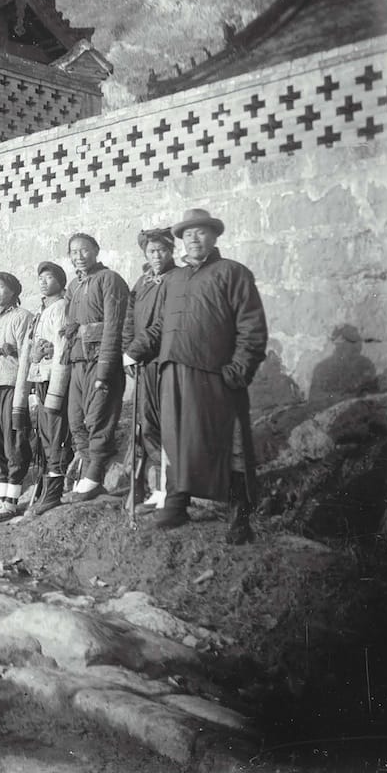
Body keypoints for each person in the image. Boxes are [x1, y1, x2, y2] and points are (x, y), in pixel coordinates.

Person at [135, 209, 267, 542]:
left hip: (215, 375)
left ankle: (240, 513)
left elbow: (251, 327)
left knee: (229, 441)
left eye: (201, 233)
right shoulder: (174, 279)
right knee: (176, 438)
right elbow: (162, 325)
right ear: (181, 240)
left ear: (214, 236)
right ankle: (177, 502)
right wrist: (135, 350)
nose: (194, 239)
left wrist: (237, 371)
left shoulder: (233, 272)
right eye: (188, 234)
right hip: (172, 372)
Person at [61, 234, 130, 504]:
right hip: (78, 360)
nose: (79, 256)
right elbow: (71, 324)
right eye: (74, 252)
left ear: (96, 251)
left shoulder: (109, 279)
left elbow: (114, 326)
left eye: (85, 250)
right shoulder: (74, 286)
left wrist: (105, 369)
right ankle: (86, 474)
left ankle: (94, 477)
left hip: (101, 359)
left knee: (98, 417)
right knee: (76, 419)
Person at [121, 229, 178, 513]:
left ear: (171, 251)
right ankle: (158, 489)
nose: (156, 256)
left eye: (162, 250)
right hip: (143, 364)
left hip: (164, 361)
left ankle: (172, 490)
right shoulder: (141, 283)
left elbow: (165, 322)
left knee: (168, 424)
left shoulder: (177, 280)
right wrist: (126, 351)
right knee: (148, 424)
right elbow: (129, 320)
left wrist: (135, 350)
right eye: (151, 251)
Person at [13, 262, 72, 516]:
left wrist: (47, 352)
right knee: (45, 433)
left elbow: (61, 346)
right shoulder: (41, 312)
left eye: (49, 278)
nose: (44, 282)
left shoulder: (61, 308)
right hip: (40, 377)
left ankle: (55, 490)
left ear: (60, 281)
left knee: (56, 432)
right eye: (41, 278)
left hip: (54, 377)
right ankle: (47, 488)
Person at [0, 272, 35, 522]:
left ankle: (12, 500)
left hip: (12, 385)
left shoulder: (23, 317)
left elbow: (26, 355)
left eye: (1, 288)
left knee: (14, 441)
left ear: (13, 291)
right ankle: (0, 498)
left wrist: (22, 393)